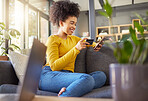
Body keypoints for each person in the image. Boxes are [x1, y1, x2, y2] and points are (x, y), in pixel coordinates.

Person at [39, 0, 106, 97]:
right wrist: (76, 49)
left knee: (101, 76)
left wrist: (96, 45)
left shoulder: (74, 39)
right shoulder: (52, 39)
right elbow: (54, 66)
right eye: (71, 23)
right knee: (87, 79)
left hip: (68, 76)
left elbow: (89, 43)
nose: (74, 27)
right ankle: (65, 96)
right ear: (61, 23)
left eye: (75, 24)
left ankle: (71, 88)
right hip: (50, 76)